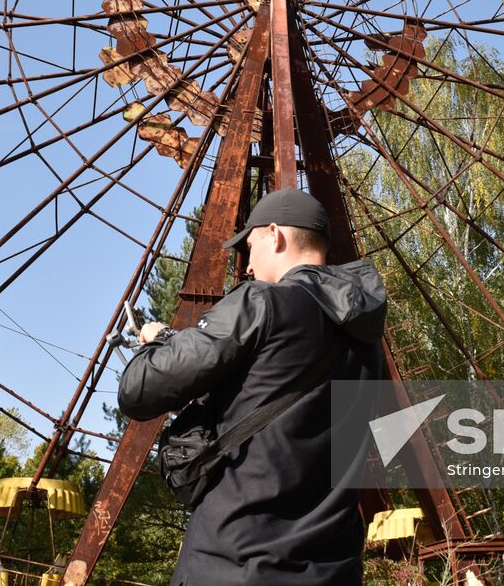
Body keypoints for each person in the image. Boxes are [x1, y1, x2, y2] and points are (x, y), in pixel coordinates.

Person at [118, 188, 387, 585]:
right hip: (333, 569)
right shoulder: (369, 344)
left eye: (250, 244)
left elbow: (139, 391)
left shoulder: (261, 302)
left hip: (234, 564)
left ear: (275, 235)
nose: (246, 266)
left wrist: (157, 341)